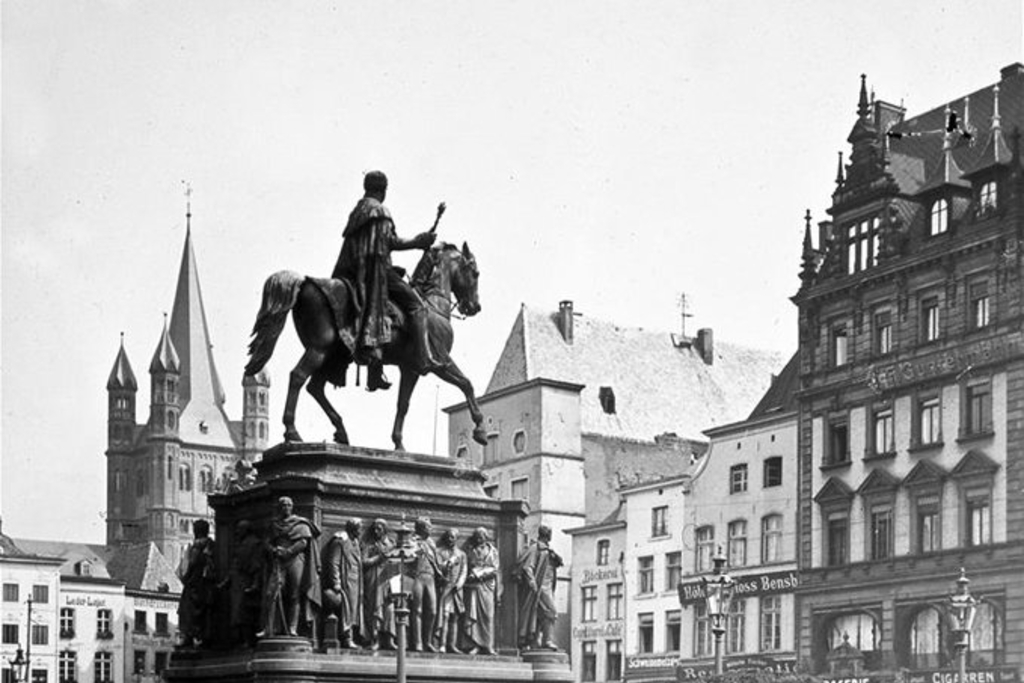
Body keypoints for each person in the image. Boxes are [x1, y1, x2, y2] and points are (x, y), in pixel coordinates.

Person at [331, 170, 440, 392]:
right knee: (418, 306)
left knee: (382, 313)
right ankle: (423, 358)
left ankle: (375, 373)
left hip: (353, 273)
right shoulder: (380, 211)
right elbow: (389, 242)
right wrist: (418, 242)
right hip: (376, 273)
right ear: (383, 190)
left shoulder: (357, 212)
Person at [259, 497, 321, 638]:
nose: (285, 507)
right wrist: (274, 550)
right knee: (272, 593)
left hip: (295, 559)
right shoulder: (274, 524)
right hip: (278, 560)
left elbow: (303, 542)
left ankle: (293, 628)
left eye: (288, 505)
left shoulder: (300, 523)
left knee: (294, 594)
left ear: (292, 507)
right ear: (279, 508)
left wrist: (288, 552)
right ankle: (270, 627)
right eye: (283, 505)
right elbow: (266, 542)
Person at [515, 525, 562, 651]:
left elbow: (557, 562)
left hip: (548, 586)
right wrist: (532, 582)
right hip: (540, 587)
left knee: (539, 615)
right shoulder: (535, 548)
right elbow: (527, 567)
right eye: (550, 533)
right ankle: (547, 641)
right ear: (547, 534)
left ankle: (536, 641)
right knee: (551, 612)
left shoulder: (547, 549)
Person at [321, 518, 363, 648]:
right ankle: (346, 637)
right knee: (347, 609)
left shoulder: (355, 542)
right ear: (353, 528)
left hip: (356, 580)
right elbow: (334, 562)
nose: (361, 531)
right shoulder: (340, 541)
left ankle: (351, 636)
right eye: (359, 528)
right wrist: (336, 582)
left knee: (354, 610)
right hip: (346, 581)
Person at [178, 519, 217, 648]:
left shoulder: (198, 545)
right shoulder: (212, 545)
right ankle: (202, 637)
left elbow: (193, 563)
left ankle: (189, 637)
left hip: (196, 584)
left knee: (187, 611)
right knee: (204, 612)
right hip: (206, 584)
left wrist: (185, 577)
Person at [463, 527, 499, 655]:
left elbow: (494, 569)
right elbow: (468, 566)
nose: (479, 538)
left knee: (488, 616)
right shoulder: (471, 550)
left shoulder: (493, 551)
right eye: (477, 536)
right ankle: (475, 644)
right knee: (473, 614)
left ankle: (488, 645)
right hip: (474, 586)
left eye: (481, 535)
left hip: (488, 586)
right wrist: (473, 574)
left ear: (486, 536)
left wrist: (479, 574)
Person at [227, 520, 263, 647]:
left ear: (246, 530)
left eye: (240, 529)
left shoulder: (254, 543)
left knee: (245, 612)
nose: (237, 532)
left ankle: (248, 640)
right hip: (238, 581)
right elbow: (234, 563)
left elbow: (256, 565)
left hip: (246, 581)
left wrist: (255, 583)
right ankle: (239, 639)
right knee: (237, 612)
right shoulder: (240, 544)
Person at [361, 518, 396, 650]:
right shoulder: (369, 545)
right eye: (374, 529)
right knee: (375, 608)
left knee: (390, 609)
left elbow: (397, 561)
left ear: (385, 530)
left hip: (388, 579)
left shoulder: (391, 544)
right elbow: (364, 562)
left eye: (379, 529)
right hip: (374, 579)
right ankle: (375, 640)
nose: (376, 531)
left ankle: (390, 639)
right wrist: (379, 558)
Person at [409, 517, 441, 651]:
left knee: (432, 611)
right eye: (429, 526)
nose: (431, 529)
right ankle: (417, 642)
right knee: (417, 610)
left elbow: (436, 562)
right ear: (421, 528)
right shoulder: (412, 540)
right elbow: (406, 556)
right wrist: (415, 552)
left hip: (430, 578)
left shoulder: (431, 543)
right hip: (417, 576)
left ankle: (428, 641)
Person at [435, 528, 467, 653]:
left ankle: (452, 645)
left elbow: (464, 571)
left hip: (457, 590)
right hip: (445, 588)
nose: (450, 539)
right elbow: (438, 568)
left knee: (455, 617)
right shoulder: (440, 552)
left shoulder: (462, 554)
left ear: (456, 539)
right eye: (448, 536)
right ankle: (442, 644)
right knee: (445, 615)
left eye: (452, 537)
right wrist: (447, 564)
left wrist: (459, 584)